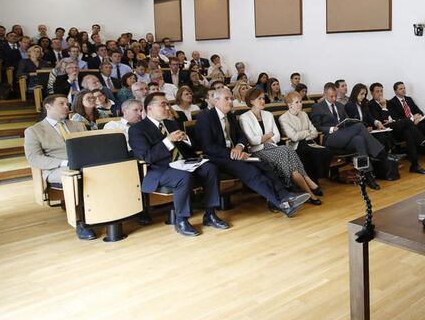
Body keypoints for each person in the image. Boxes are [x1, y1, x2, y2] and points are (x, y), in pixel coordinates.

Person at [195, 88, 311, 216]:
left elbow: (242, 137)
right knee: (252, 172)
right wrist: (233, 153)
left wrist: (239, 147)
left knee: (264, 164)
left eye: (232, 99)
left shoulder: (231, 117)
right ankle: (281, 204)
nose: (231, 101)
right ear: (216, 101)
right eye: (226, 99)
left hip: (237, 154)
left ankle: (285, 195)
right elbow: (207, 146)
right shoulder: (205, 117)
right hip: (219, 158)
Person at [128, 92, 229, 237]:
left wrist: (186, 138)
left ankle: (210, 214)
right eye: (163, 104)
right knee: (183, 177)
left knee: (210, 168)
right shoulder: (137, 129)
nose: (167, 107)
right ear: (149, 108)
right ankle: (181, 220)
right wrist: (168, 141)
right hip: (159, 169)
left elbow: (192, 147)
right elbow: (147, 157)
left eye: (168, 104)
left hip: (183, 163)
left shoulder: (170, 123)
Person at [24, 94, 95, 240]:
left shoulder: (78, 125)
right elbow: (34, 158)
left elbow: (89, 146)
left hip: (83, 163)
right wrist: (64, 163)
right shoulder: (34, 130)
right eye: (61, 104)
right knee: (76, 175)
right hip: (56, 168)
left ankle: (110, 210)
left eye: (67, 104)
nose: (66, 107)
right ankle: (81, 222)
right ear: (48, 107)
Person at [238, 89, 323, 205]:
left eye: (263, 98)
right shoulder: (244, 117)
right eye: (260, 99)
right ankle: (309, 184)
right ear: (252, 101)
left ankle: (309, 193)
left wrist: (264, 138)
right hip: (258, 151)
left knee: (288, 151)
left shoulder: (268, 114)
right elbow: (252, 141)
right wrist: (267, 135)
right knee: (286, 150)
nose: (263, 101)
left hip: (272, 146)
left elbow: (277, 136)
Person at [311, 83, 385, 190]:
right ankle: (379, 152)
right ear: (325, 94)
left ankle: (368, 176)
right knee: (359, 126)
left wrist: (348, 124)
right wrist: (331, 129)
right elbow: (316, 126)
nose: (334, 98)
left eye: (335, 96)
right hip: (330, 138)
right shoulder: (317, 107)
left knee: (359, 140)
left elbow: (347, 121)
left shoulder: (340, 106)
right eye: (331, 96)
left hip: (345, 135)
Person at [368, 82, 425, 174]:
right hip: (386, 130)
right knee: (408, 122)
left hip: (397, 127)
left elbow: (395, 117)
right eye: (377, 91)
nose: (380, 93)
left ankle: (415, 165)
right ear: (372, 93)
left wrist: (392, 120)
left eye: (381, 91)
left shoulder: (389, 102)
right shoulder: (371, 105)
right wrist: (384, 107)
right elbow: (383, 120)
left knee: (408, 132)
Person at [387, 81, 425, 165]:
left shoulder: (409, 99)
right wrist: (412, 119)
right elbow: (397, 119)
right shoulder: (391, 102)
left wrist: (418, 117)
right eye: (401, 89)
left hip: (417, 123)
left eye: (404, 88)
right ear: (395, 91)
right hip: (408, 127)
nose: (404, 90)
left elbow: (419, 111)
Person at [279, 92, 333, 183]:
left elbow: (315, 132)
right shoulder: (283, 118)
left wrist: (304, 134)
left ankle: (318, 177)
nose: (300, 104)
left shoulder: (303, 114)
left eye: (300, 101)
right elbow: (294, 137)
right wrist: (307, 132)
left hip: (309, 142)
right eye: (297, 102)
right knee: (314, 153)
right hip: (296, 145)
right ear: (289, 104)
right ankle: (314, 181)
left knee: (327, 151)